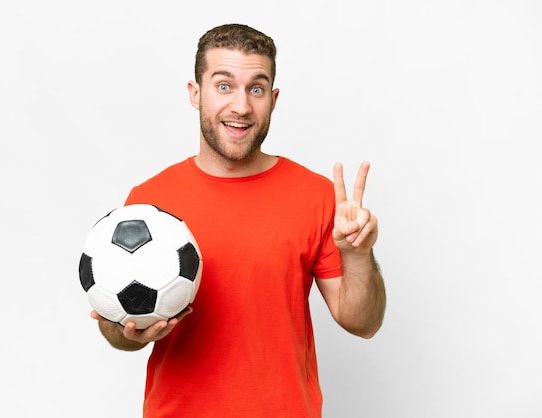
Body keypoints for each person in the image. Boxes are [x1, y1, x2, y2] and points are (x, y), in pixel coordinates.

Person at [90, 23, 386, 417]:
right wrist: (128, 333)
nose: (242, 107)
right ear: (196, 94)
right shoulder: (149, 204)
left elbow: (362, 323)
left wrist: (359, 254)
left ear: (274, 99)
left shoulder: (315, 195)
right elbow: (118, 329)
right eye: (224, 86)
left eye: (257, 88)